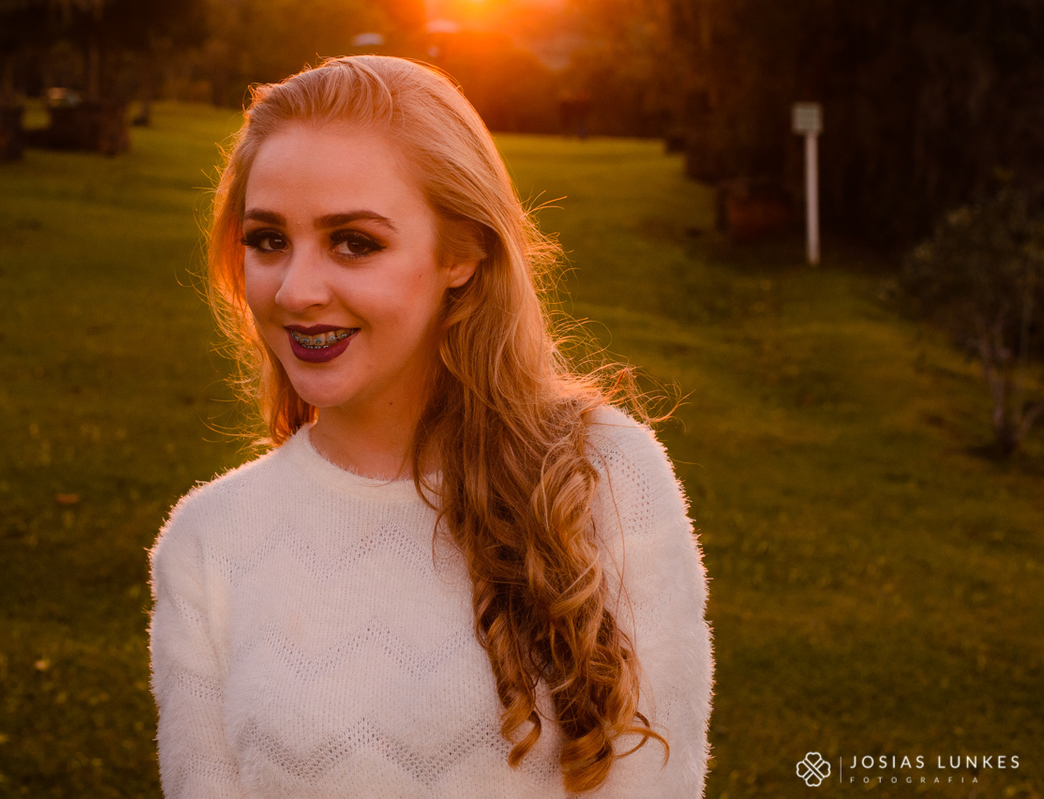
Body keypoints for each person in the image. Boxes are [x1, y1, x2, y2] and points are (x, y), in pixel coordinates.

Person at [147, 55, 713, 799]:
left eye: (354, 241)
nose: (295, 290)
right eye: (267, 239)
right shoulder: (206, 543)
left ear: (462, 252)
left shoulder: (606, 480)